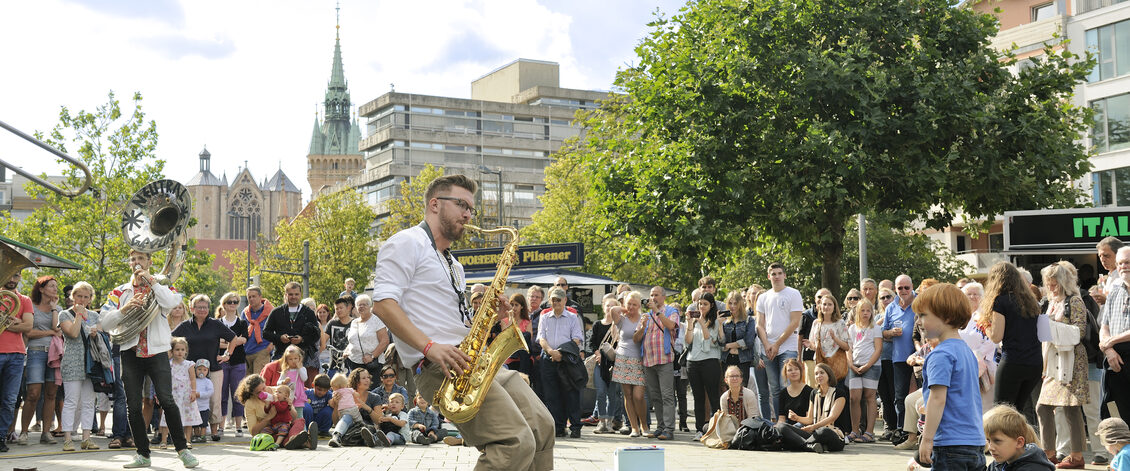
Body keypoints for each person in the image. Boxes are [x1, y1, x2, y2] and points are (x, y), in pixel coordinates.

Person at [370, 174, 554, 470]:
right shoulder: (406, 242)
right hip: (441, 367)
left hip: (473, 360)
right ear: (434, 204)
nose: (468, 214)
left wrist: (491, 317)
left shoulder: (453, 264)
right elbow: (383, 305)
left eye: (471, 208)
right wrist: (429, 347)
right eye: (461, 204)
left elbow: (452, 321)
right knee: (514, 442)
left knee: (543, 428)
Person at [100, 249, 198, 468]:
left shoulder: (162, 285)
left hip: (157, 352)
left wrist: (152, 282)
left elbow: (172, 303)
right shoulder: (119, 291)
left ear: (149, 262)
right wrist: (123, 310)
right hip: (130, 352)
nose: (136, 262)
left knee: (167, 400)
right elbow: (104, 323)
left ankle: (182, 450)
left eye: (141, 259)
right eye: (133, 259)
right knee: (132, 406)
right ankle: (143, 454)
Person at [914, 283, 985, 470]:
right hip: (974, 441)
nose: (918, 322)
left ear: (947, 316)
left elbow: (938, 399)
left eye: (923, 315)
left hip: (949, 443)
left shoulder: (940, 355)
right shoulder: (966, 351)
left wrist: (927, 439)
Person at [1035, 262, 1090, 469]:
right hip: (1053, 360)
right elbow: (1044, 337)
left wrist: (1052, 326)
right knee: (1043, 407)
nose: (1051, 288)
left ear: (1064, 282)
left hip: (1071, 359)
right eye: (1048, 284)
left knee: (1071, 408)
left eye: (1054, 283)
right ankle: (1050, 453)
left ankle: (1075, 457)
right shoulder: (1051, 302)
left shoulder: (1074, 301)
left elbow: (1079, 332)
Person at [981, 262, 1043, 419]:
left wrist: (984, 326)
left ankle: (1001, 443)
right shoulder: (1031, 301)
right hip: (1035, 363)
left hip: (1013, 362)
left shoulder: (1001, 301)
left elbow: (996, 336)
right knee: (1017, 412)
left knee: (1001, 412)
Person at [172, 294, 237, 441]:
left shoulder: (215, 324)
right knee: (190, 399)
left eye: (205, 307)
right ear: (192, 308)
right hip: (189, 371)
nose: (202, 310)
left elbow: (233, 338)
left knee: (214, 400)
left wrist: (228, 354)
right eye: (199, 307)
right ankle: (194, 433)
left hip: (213, 368)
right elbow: (171, 340)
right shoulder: (185, 325)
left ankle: (214, 431)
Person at [756, 262, 804, 419]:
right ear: (768, 276)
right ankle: (778, 422)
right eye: (773, 274)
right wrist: (768, 345)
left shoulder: (793, 293)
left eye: (779, 273)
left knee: (787, 385)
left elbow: (794, 322)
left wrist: (777, 344)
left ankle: (790, 422)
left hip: (787, 347)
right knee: (774, 388)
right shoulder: (763, 297)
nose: (776, 276)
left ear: (784, 275)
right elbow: (759, 325)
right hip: (768, 348)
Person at [57, 281, 101, 451]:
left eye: (86, 297)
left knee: (89, 402)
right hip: (72, 363)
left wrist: (97, 332)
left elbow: (101, 339)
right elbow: (73, 333)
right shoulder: (64, 314)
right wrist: (79, 316)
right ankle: (68, 438)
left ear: (90, 299)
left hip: (91, 363)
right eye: (79, 296)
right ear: (72, 296)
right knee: (71, 401)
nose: (82, 300)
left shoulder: (95, 316)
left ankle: (86, 438)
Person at [537, 287, 585, 438]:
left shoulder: (572, 317)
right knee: (552, 395)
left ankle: (575, 426)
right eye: (553, 299)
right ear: (550, 301)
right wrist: (551, 352)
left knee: (571, 393)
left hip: (567, 360)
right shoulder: (544, 317)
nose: (556, 302)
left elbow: (577, 338)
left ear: (565, 300)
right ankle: (558, 426)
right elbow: (541, 338)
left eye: (559, 299)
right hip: (548, 358)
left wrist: (561, 353)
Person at [19, 276, 61, 446]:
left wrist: (54, 309)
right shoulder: (31, 307)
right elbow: (29, 333)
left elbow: (57, 329)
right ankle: (23, 432)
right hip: (35, 353)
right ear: (41, 289)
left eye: (56, 286)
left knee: (51, 394)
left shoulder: (56, 309)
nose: (55, 289)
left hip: (54, 354)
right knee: (33, 394)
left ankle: (46, 432)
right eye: (51, 286)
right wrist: (49, 333)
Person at [636, 286, 680, 440]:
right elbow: (637, 338)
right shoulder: (646, 315)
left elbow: (671, 326)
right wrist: (641, 326)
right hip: (648, 360)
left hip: (664, 359)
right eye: (651, 295)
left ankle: (669, 429)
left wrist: (657, 311)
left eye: (656, 295)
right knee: (655, 397)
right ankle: (660, 427)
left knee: (667, 395)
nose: (652, 298)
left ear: (663, 297)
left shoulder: (671, 311)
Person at [775, 363, 848, 453]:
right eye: (816, 374)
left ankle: (798, 444)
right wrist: (797, 418)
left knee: (823, 431)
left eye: (822, 373)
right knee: (782, 426)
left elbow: (832, 417)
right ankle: (808, 446)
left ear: (829, 375)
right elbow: (809, 419)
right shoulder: (814, 393)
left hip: (833, 434)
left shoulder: (839, 393)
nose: (819, 376)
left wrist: (813, 427)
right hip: (815, 434)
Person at [881, 274, 916, 444]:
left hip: (919, 357)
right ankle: (903, 430)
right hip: (899, 357)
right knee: (900, 396)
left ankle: (920, 432)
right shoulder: (891, 307)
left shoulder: (920, 303)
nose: (903, 291)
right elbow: (882, 332)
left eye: (906, 287)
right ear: (895, 289)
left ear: (912, 287)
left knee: (923, 394)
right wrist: (890, 333)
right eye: (900, 288)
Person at [0, 272, 33, 453]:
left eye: (16, 276)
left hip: (17, 354)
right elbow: (22, 324)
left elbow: (28, 326)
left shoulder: (24, 300)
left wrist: (4, 323)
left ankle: (0, 437)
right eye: (9, 275)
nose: (12, 280)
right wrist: (14, 323)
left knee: (9, 400)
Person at [235, 374, 312, 450]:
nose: (263, 392)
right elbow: (254, 432)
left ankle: (293, 439)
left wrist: (290, 406)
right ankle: (303, 442)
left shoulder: (278, 391)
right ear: (252, 394)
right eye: (258, 393)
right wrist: (269, 417)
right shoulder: (250, 403)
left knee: (300, 421)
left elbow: (294, 417)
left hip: (285, 426)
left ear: (265, 383)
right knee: (273, 437)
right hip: (270, 432)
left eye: (263, 388)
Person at [609, 291, 648, 437]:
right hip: (623, 359)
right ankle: (634, 427)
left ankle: (644, 425)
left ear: (639, 306)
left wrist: (640, 320)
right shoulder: (622, 319)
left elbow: (639, 338)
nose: (631, 307)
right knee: (628, 395)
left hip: (639, 359)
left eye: (635, 304)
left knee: (639, 396)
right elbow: (613, 310)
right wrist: (626, 308)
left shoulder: (643, 318)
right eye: (629, 304)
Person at [686, 292, 722, 438]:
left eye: (705, 304)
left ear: (711, 305)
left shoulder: (716, 321)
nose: (701, 307)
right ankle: (699, 429)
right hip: (693, 361)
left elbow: (710, 339)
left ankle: (718, 429)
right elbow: (688, 341)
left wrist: (702, 323)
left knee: (714, 396)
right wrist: (689, 323)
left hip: (710, 361)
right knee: (698, 397)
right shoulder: (693, 321)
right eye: (699, 304)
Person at [1101, 247, 1130, 429]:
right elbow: (1104, 326)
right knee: (1121, 413)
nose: (1123, 267)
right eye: (1120, 263)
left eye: (1127, 262)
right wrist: (1109, 349)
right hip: (1116, 359)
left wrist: (1111, 341)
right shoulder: (1115, 289)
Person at [264, 282, 319, 377]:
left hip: (302, 358)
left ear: (300, 295)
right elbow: (265, 333)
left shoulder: (308, 313)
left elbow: (316, 335)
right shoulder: (277, 312)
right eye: (291, 294)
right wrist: (279, 338)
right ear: (286, 295)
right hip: (281, 355)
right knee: (280, 387)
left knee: (300, 387)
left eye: (296, 294)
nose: (294, 297)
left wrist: (302, 339)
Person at [213, 291, 249, 437]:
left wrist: (226, 342)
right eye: (230, 302)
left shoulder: (242, 323)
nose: (233, 305)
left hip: (238, 362)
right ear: (224, 305)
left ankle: (238, 426)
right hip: (221, 362)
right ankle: (221, 426)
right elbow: (216, 342)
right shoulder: (217, 323)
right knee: (221, 395)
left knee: (238, 394)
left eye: (235, 302)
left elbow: (244, 340)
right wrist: (234, 341)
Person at [846, 298, 882, 443]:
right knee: (854, 398)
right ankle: (855, 430)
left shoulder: (875, 328)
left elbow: (878, 349)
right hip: (855, 365)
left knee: (869, 397)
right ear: (857, 312)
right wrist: (850, 364)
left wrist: (867, 365)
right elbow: (849, 348)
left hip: (871, 366)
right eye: (863, 310)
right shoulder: (852, 328)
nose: (866, 313)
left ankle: (869, 432)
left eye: (868, 310)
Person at [959, 282, 998, 413]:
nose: (972, 297)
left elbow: (992, 341)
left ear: (982, 297)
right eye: (968, 294)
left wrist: (975, 356)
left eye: (976, 294)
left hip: (984, 366)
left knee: (985, 406)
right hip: (962, 365)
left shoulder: (987, 316)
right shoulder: (959, 316)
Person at [158, 337, 200, 450]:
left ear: (186, 350)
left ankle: (187, 440)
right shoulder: (168, 364)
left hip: (186, 395)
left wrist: (193, 392)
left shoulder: (189, 364)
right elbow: (164, 379)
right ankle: (163, 440)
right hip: (173, 395)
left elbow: (192, 379)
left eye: (182, 349)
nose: (180, 352)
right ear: (172, 351)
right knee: (167, 417)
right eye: (177, 349)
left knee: (188, 417)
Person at [984, 404, 1055, 471]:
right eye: (988, 440)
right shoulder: (997, 464)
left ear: (1019, 442)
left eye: (997, 441)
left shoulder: (1035, 468)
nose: (990, 448)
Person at [591, 294, 624, 435]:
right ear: (604, 307)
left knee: (612, 394)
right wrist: (598, 354)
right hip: (600, 363)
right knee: (600, 392)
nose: (610, 308)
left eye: (613, 306)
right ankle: (601, 421)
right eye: (608, 305)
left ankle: (610, 422)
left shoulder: (619, 325)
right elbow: (592, 342)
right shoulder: (598, 324)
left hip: (614, 364)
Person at [342, 295, 389, 380]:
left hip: (371, 364)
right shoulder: (354, 322)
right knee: (356, 390)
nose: (361, 307)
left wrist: (372, 356)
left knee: (371, 391)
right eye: (359, 305)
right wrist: (347, 350)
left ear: (370, 306)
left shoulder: (376, 320)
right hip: (353, 363)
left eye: (365, 304)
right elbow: (352, 341)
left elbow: (385, 341)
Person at [807, 293, 850, 384]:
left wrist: (835, 338)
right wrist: (810, 345)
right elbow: (815, 346)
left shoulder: (840, 323)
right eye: (824, 304)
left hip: (837, 364)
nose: (826, 307)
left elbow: (847, 347)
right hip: (821, 363)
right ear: (820, 306)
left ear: (834, 307)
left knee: (837, 391)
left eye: (830, 304)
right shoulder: (816, 323)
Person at [721, 291, 759, 387]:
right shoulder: (725, 322)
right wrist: (719, 325)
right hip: (727, 359)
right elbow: (721, 342)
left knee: (742, 389)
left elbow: (749, 342)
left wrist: (729, 345)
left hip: (743, 359)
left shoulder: (748, 320)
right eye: (730, 303)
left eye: (735, 303)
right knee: (729, 390)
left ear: (740, 304)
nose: (732, 306)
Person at [875, 286, 898, 441]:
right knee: (884, 396)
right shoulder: (876, 317)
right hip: (878, 359)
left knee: (894, 394)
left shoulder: (897, 313)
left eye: (888, 296)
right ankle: (888, 427)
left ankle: (897, 427)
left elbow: (897, 334)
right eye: (882, 298)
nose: (885, 300)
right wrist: (884, 332)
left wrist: (883, 334)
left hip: (893, 358)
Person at [242, 286, 275, 380]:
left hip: (262, 350)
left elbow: (277, 331)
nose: (251, 299)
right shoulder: (245, 312)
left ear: (260, 297)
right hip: (247, 351)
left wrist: (269, 348)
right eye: (249, 297)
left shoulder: (271, 311)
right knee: (247, 384)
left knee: (258, 382)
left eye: (254, 296)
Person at [775, 358, 813, 425]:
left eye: (796, 369)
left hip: (804, 427)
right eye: (790, 370)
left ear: (800, 371)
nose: (793, 372)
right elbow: (781, 418)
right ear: (786, 374)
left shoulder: (809, 391)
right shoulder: (783, 393)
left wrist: (797, 418)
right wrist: (777, 427)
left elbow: (809, 420)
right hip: (788, 428)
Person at [323, 296, 353, 379]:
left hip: (351, 363)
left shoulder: (355, 323)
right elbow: (323, 340)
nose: (339, 310)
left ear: (348, 309)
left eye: (341, 308)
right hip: (334, 364)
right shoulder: (332, 323)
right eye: (336, 309)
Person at [192, 360, 214, 443]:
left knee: (203, 423)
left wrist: (200, 394)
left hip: (204, 407)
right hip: (194, 406)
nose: (202, 371)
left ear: (208, 371)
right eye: (199, 369)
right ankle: (196, 435)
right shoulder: (193, 380)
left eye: (204, 370)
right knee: (195, 423)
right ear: (195, 370)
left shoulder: (208, 382)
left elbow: (210, 392)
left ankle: (203, 436)